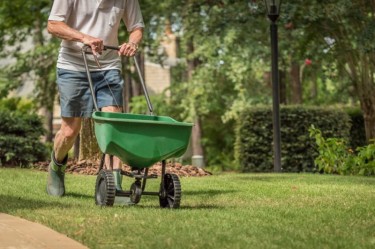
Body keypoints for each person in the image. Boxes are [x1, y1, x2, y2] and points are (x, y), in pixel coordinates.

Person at [46, 0, 144, 197]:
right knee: (70, 131)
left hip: (108, 67)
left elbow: (137, 27)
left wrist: (132, 43)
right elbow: (53, 25)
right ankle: (56, 167)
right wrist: (84, 38)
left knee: (112, 126)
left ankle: (113, 186)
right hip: (72, 66)